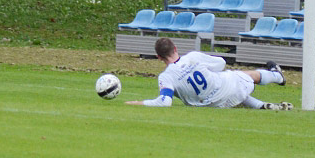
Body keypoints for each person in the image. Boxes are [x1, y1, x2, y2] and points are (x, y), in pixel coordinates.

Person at [125, 37, 292, 110]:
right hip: (229, 88)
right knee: (245, 75)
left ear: (159, 57)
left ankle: (261, 105)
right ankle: (277, 76)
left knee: (229, 86)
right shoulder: (193, 57)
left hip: (211, 105)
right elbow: (221, 63)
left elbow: (164, 102)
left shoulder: (166, 76)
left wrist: (138, 103)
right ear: (175, 48)